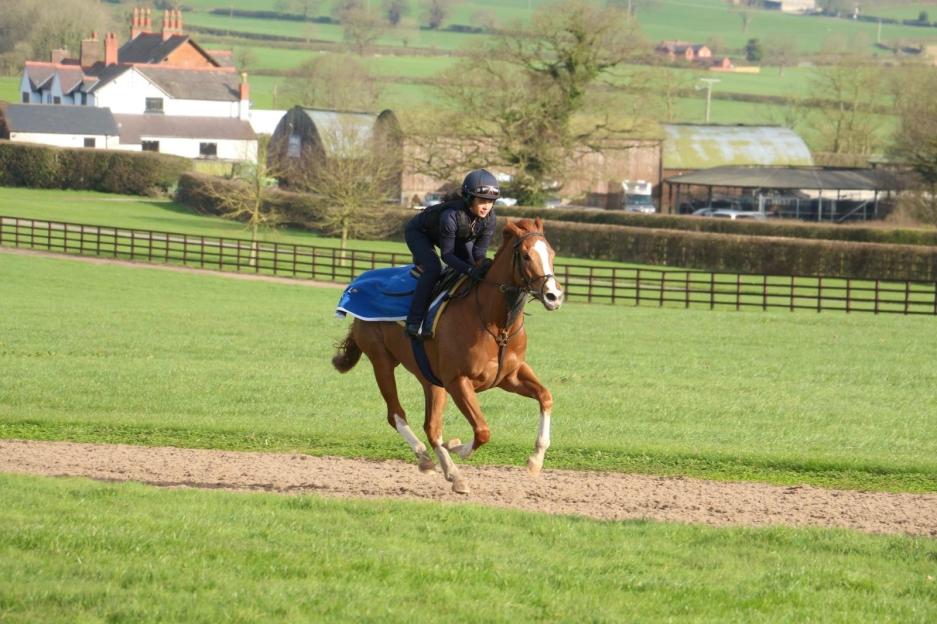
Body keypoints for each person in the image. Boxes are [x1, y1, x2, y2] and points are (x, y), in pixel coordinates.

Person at [403, 169, 500, 339]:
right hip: (419, 233)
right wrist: (469, 270)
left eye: (491, 202)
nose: (487, 206)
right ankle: (414, 321)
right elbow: (447, 256)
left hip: (451, 235)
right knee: (433, 269)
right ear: (469, 198)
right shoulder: (451, 216)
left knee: (473, 267)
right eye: (482, 200)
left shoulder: (490, 219)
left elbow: (478, 253)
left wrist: (482, 266)